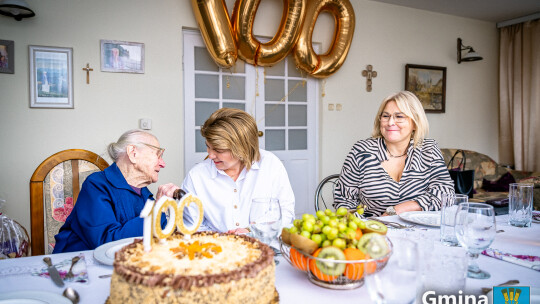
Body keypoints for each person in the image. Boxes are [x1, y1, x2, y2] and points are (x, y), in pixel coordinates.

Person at [53, 129, 179, 253]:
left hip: (120, 266)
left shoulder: (145, 194)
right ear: (133, 153)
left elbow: (159, 239)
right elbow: (107, 244)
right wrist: (158, 210)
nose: (162, 164)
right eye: (158, 155)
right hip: (76, 264)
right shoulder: (96, 185)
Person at [334, 91, 454, 217]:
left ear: (414, 122)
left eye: (399, 116)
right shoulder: (362, 151)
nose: (390, 122)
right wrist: (368, 227)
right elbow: (343, 201)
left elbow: (447, 195)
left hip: (418, 232)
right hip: (373, 231)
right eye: (386, 116)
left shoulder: (428, 149)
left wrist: (396, 210)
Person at [182, 108, 295, 234]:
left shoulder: (271, 165)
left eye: (219, 150)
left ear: (242, 148)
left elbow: (286, 216)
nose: (211, 155)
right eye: (208, 147)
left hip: (267, 248)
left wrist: (251, 231)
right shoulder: (197, 176)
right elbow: (191, 228)